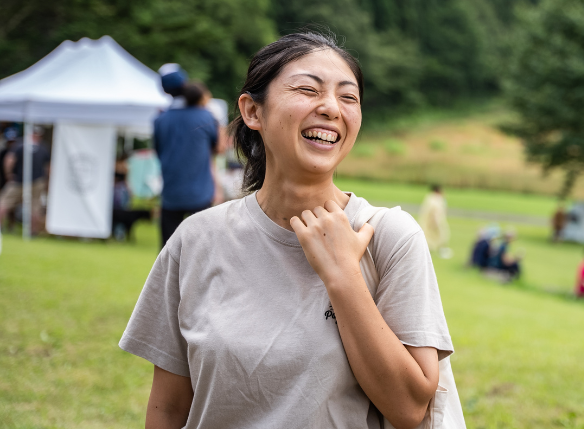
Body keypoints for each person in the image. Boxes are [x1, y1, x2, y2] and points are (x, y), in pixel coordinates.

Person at [120, 31, 456, 429]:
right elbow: (170, 409)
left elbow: (410, 409)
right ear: (252, 112)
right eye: (307, 90)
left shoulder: (390, 237)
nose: (331, 107)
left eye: (348, 97)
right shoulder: (195, 239)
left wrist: (344, 277)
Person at [152, 66, 218, 248]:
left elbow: (158, 152)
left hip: (171, 194)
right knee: (202, 250)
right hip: (201, 193)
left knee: (167, 254)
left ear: (164, 90)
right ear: (184, 82)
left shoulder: (160, 120)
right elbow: (216, 148)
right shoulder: (206, 117)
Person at [0, 126, 50, 234]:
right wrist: (46, 181)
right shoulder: (43, 147)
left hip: (18, 180)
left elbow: (9, 160)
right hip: (37, 181)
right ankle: (33, 232)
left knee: (4, 202)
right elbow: (48, 167)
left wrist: (9, 175)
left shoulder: (19, 144)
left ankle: (1, 226)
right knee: (35, 207)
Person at [419, 184, 450, 254]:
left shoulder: (430, 198)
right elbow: (434, 211)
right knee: (439, 235)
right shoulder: (435, 199)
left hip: (431, 221)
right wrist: (435, 221)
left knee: (431, 235)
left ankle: (434, 248)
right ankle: (439, 249)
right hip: (434, 221)